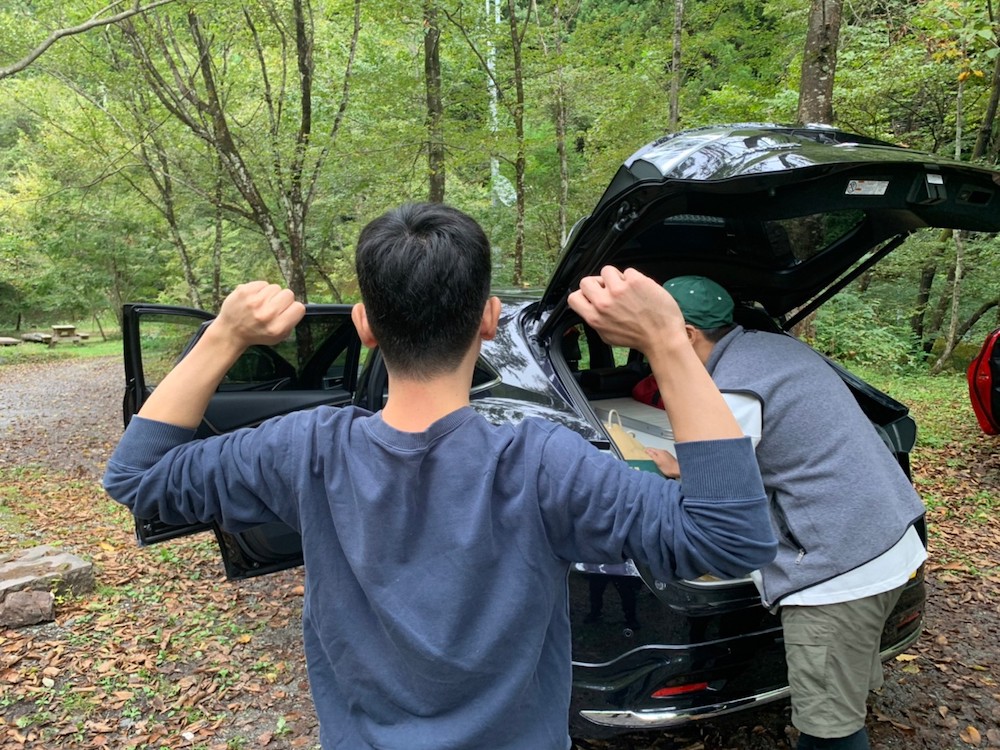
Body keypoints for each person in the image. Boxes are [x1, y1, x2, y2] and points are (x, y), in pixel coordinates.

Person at [102, 204, 776, 750]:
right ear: (489, 319)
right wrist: (666, 343)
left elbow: (136, 476)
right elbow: (730, 539)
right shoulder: (544, 463)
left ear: (365, 326)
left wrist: (223, 336)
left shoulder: (306, 449)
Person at [632, 275, 927, 750]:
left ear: (685, 334)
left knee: (828, 729)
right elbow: (766, 450)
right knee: (845, 683)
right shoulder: (770, 347)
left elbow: (721, 496)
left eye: (648, 338)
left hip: (835, 574)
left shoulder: (732, 389)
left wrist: (672, 478)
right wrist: (688, 465)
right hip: (887, 537)